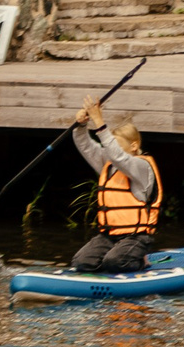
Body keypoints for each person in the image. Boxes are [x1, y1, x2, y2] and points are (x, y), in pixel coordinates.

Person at [66, 99, 160, 275]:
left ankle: (140, 260)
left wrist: (99, 121)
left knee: (115, 262)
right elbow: (87, 147)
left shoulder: (141, 166)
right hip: (110, 235)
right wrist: (81, 126)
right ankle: (112, 260)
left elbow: (118, 156)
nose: (110, 151)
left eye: (115, 146)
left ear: (134, 146)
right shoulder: (108, 164)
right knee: (82, 262)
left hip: (137, 237)